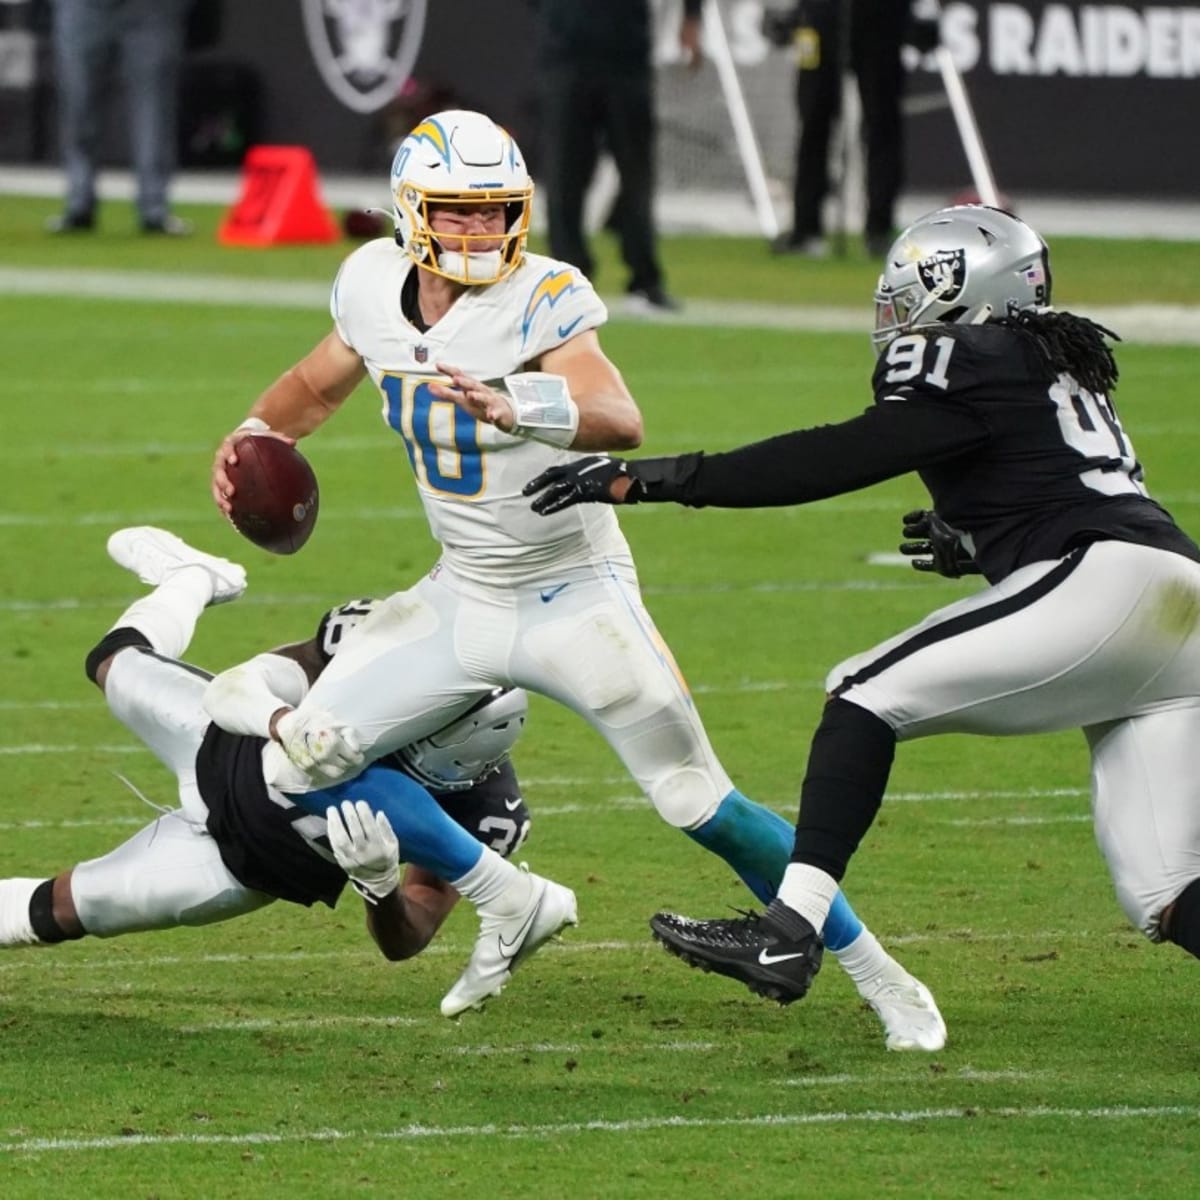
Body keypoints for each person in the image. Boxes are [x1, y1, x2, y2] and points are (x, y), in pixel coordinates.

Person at [210, 108, 946, 1050]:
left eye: (495, 212)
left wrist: (518, 402)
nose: (480, 232)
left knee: (696, 799)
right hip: (463, 592)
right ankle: (505, 896)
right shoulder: (369, 285)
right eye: (458, 213)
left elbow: (617, 414)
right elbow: (312, 388)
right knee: (301, 758)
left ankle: (885, 979)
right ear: (410, 212)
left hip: (571, 590)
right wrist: (252, 443)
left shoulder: (544, 293)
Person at [522, 203, 1200, 1010]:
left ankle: (788, 932)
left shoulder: (958, 350)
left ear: (959, 287)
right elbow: (1053, 479)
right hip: (1169, 600)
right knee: (1164, 886)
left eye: (906, 287)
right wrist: (981, 544)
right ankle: (790, 932)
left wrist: (655, 479)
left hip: (1110, 587)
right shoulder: (1049, 352)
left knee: (864, 693)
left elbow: (845, 455)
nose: (893, 307)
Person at [0, 526, 572, 1018]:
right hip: (217, 742)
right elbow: (241, 687)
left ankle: (508, 894)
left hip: (239, 863)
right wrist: (282, 722)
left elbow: (409, 938)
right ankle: (193, 577)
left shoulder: (488, 813)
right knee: (113, 660)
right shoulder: (383, 650)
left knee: (61, 910)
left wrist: (378, 889)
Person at [529, 0, 701, 315]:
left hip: (625, 54)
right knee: (564, 172)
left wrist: (692, 16)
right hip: (565, 53)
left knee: (636, 172)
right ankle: (568, 279)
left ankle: (645, 279)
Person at [765, 0, 938, 258]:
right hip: (819, 16)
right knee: (813, 120)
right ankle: (806, 226)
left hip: (882, 17)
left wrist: (924, 12)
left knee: (882, 123)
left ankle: (879, 228)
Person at [45, 0, 194, 234]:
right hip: (83, 7)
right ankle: (79, 203)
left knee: (154, 108)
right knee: (78, 105)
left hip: (151, 10)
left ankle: (154, 207)